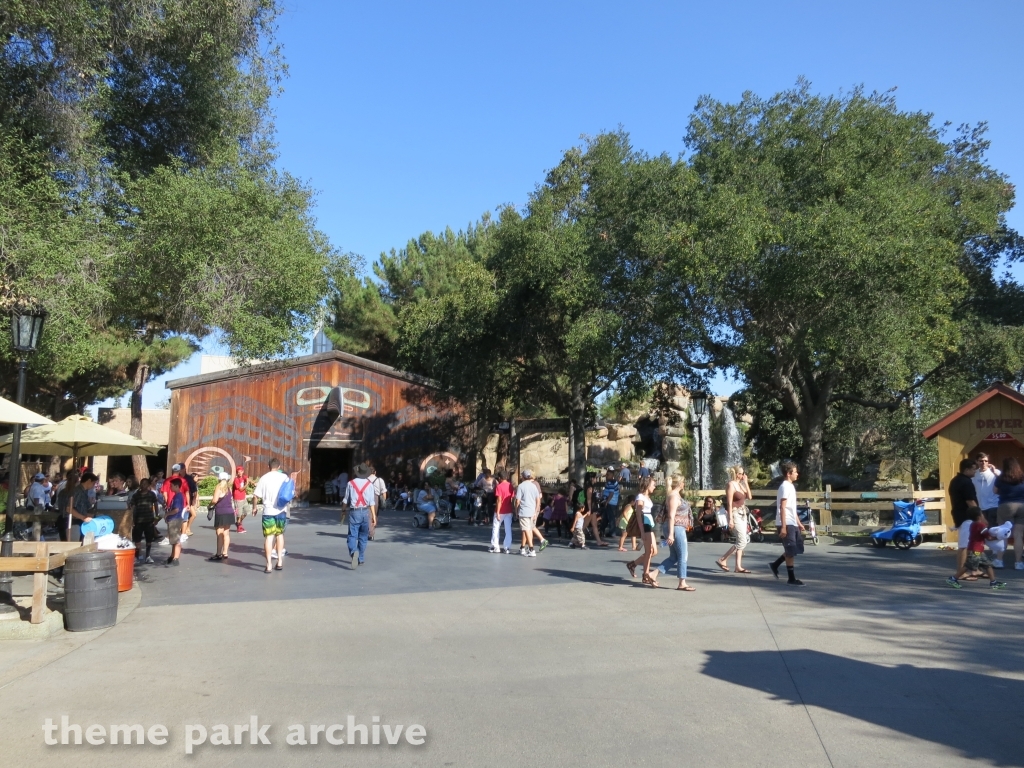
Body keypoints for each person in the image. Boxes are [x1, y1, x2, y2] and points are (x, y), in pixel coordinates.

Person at [947, 507, 1007, 590]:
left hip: (977, 550)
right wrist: (998, 537)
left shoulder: (973, 524)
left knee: (988, 565)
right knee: (968, 566)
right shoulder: (981, 525)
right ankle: (953, 579)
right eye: (982, 514)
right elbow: (988, 537)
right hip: (976, 550)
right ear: (979, 516)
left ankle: (993, 582)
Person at [769, 461, 805, 586]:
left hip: (792, 522)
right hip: (786, 523)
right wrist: (783, 526)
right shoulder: (784, 486)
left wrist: (799, 523)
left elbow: (792, 508)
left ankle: (775, 565)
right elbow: (782, 507)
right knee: (790, 551)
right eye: (795, 472)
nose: (797, 474)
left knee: (793, 549)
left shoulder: (791, 486)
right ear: (789, 474)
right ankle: (791, 579)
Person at [656, 476, 695, 591]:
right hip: (676, 528)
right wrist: (671, 534)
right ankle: (682, 582)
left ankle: (653, 574)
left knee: (674, 557)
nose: (684, 484)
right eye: (683, 481)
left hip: (677, 528)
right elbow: (671, 516)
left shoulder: (674, 495)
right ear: (679, 483)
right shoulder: (673, 496)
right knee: (683, 555)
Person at [253, 459, 290, 573]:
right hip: (281, 510)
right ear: (279, 466)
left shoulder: (264, 478)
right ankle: (279, 562)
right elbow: (290, 492)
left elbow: (255, 496)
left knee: (269, 537)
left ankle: (269, 564)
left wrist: (254, 508)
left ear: (268, 466)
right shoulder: (284, 477)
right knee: (279, 535)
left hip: (268, 511)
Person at [717, 465, 753, 573]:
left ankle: (738, 566)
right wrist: (730, 519)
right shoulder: (731, 485)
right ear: (737, 474)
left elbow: (750, 497)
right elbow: (729, 502)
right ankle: (723, 559)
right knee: (742, 540)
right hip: (735, 513)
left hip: (743, 513)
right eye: (741, 473)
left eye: (743, 474)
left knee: (741, 539)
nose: (743, 475)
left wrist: (746, 482)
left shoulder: (740, 485)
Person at [949, 458, 981, 577]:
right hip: (966, 517)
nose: (975, 471)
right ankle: (961, 572)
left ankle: (973, 569)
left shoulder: (956, 480)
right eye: (973, 469)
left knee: (974, 544)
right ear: (966, 469)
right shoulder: (965, 482)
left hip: (960, 515)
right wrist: (980, 516)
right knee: (964, 545)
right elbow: (970, 501)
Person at [625, 477, 659, 586]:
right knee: (649, 551)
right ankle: (646, 575)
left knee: (654, 551)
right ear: (647, 485)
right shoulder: (640, 497)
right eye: (653, 484)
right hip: (645, 524)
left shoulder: (647, 497)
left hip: (650, 523)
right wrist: (642, 530)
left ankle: (633, 564)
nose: (654, 487)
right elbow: (639, 513)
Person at [344, 463, 377, 568]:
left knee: (352, 535)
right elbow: (372, 503)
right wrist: (374, 517)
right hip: (365, 511)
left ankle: (354, 552)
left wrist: (343, 511)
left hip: (354, 511)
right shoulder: (370, 484)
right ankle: (361, 558)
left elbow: (346, 499)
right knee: (363, 536)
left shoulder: (351, 483)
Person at [995, 457, 1024, 571]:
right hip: (1022, 506)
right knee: (1018, 535)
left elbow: (995, 491)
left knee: (1003, 534)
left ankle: (999, 560)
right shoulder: (1022, 477)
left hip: (1005, 505)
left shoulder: (1001, 478)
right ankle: (1018, 563)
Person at [515, 469, 546, 556]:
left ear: (523, 477)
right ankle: (523, 548)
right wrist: (536, 511)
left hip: (524, 511)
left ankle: (531, 549)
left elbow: (517, 501)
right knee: (528, 528)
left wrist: (516, 510)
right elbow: (538, 500)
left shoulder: (521, 486)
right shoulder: (534, 486)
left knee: (526, 529)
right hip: (532, 511)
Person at [130, 477, 161, 565]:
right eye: (142, 484)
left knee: (149, 540)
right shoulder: (136, 495)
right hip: (138, 520)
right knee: (137, 540)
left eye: (145, 484)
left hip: (149, 520)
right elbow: (132, 506)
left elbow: (155, 504)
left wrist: (156, 517)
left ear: (148, 485)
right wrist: (131, 519)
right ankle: (136, 556)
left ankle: (148, 556)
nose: (143, 486)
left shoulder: (151, 494)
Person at [208, 472, 234, 561]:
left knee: (219, 533)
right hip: (229, 511)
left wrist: (209, 505)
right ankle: (225, 552)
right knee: (226, 533)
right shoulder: (229, 487)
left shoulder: (219, 487)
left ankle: (218, 553)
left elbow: (215, 500)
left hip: (221, 511)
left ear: (219, 478)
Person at [973, 452, 1001, 528]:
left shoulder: (995, 472)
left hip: (994, 505)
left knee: (994, 529)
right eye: (981, 461)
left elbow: (1004, 482)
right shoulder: (974, 474)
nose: (983, 463)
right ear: (977, 461)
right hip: (981, 506)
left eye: (986, 461)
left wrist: (995, 472)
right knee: (983, 530)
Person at [164, 477, 187, 566]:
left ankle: (176, 558)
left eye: (171, 486)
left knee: (176, 539)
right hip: (175, 519)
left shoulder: (178, 497)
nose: (170, 488)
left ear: (177, 486)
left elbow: (176, 509)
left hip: (175, 519)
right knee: (173, 539)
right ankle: (172, 556)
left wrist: (167, 514)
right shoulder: (178, 496)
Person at [489, 471, 514, 553]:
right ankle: (507, 547)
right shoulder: (510, 486)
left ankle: (496, 546)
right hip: (508, 509)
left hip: (500, 510)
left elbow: (499, 500)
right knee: (508, 528)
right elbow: (512, 499)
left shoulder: (499, 486)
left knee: (496, 528)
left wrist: (498, 512)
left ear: (499, 478)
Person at [599, 467, 621, 538]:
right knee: (605, 517)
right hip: (609, 502)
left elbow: (611, 493)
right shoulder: (610, 482)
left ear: (612, 475)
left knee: (611, 517)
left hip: (611, 502)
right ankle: (602, 530)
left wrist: (607, 501)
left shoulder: (612, 483)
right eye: (607, 474)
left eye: (608, 475)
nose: (607, 476)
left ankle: (612, 532)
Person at [368, 464, 387, 539]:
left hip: (367, 498)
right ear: (375, 472)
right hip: (376, 498)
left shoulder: (365, 479)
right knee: (375, 515)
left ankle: (369, 532)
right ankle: (372, 532)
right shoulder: (380, 480)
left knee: (368, 515)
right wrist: (384, 501)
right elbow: (384, 492)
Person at [232, 465, 250, 533]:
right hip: (237, 498)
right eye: (238, 472)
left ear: (243, 471)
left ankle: (238, 523)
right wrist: (247, 484)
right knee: (239, 514)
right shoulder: (236, 479)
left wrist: (250, 481)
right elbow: (241, 489)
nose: (239, 473)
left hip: (243, 498)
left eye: (240, 472)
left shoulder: (243, 477)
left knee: (246, 512)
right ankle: (239, 527)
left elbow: (247, 479)